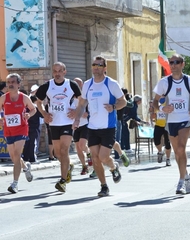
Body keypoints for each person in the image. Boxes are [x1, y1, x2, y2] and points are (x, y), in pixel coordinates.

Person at [73, 56, 127, 197]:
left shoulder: (111, 84)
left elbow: (124, 102)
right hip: (92, 127)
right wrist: (77, 119)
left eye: (99, 65)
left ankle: (113, 166)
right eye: (94, 65)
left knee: (103, 157)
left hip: (108, 127)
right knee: (95, 158)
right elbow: (82, 103)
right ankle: (104, 186)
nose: (96, 67)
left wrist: (114, 106)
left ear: (104, 68)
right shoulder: (87, 84)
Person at [153, 54, 190, 195]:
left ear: (183, 64)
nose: (173, 65)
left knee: (181, 148)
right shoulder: (164, 82)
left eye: (177, 62)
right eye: (171, 62)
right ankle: (187, 176)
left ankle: (181, 182)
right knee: (177, 152)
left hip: (186, 119)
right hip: (171, 121)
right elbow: (155, 102)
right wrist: (163, 109)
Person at [36, 62, 81, 193]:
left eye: (60, 71)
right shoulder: (47, 86)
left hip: (67, 122)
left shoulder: (71, 85)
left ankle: (62, 181)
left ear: (64, 72)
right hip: (53, 123)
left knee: (64, 149)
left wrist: (76, 112)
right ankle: (68, 166)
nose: (57, 73)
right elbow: (38, 102)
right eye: (55, 71)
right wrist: (44, 114)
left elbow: (82, 100)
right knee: (56, 153)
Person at [0, 73, 35, 193]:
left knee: (16, 153)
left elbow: (33, 109)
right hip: (9, 130)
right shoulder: (4, 98)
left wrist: (28, 114)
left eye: (13, 82)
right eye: (8, 82)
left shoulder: (24, 98)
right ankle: (26, 167)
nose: (10, 84)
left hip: (21, 128)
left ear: (18, 84)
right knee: (14, 157)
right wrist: (1, 119)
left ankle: (15, 184)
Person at [69, 77, 90, 175]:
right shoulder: (70, 98)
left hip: (85, 124)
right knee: (78, 148)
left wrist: (85, 113)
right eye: (74, 83)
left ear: (81, 85)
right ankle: (84, 166)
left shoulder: (85, 97)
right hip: (75, 125)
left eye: (78, 83)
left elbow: (87, 113)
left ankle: (89, 153)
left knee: (82, 145)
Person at [22, 95, 43, 163]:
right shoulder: (35, 107)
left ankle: (25, 157)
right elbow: (42, 115)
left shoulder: (25, 107)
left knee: (27, 142)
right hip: (34, 127)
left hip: (26, 127)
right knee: (33, 143)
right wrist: (41, 105)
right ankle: (32, 158)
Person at [152, 97, 172, 165]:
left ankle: (168, 159)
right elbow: (154, 115)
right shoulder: (156, 104)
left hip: (167, 125)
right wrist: (153, 116)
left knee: (167, 143)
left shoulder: (169, 102)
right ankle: (160, 152)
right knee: (156, 141)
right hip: (158, 125)